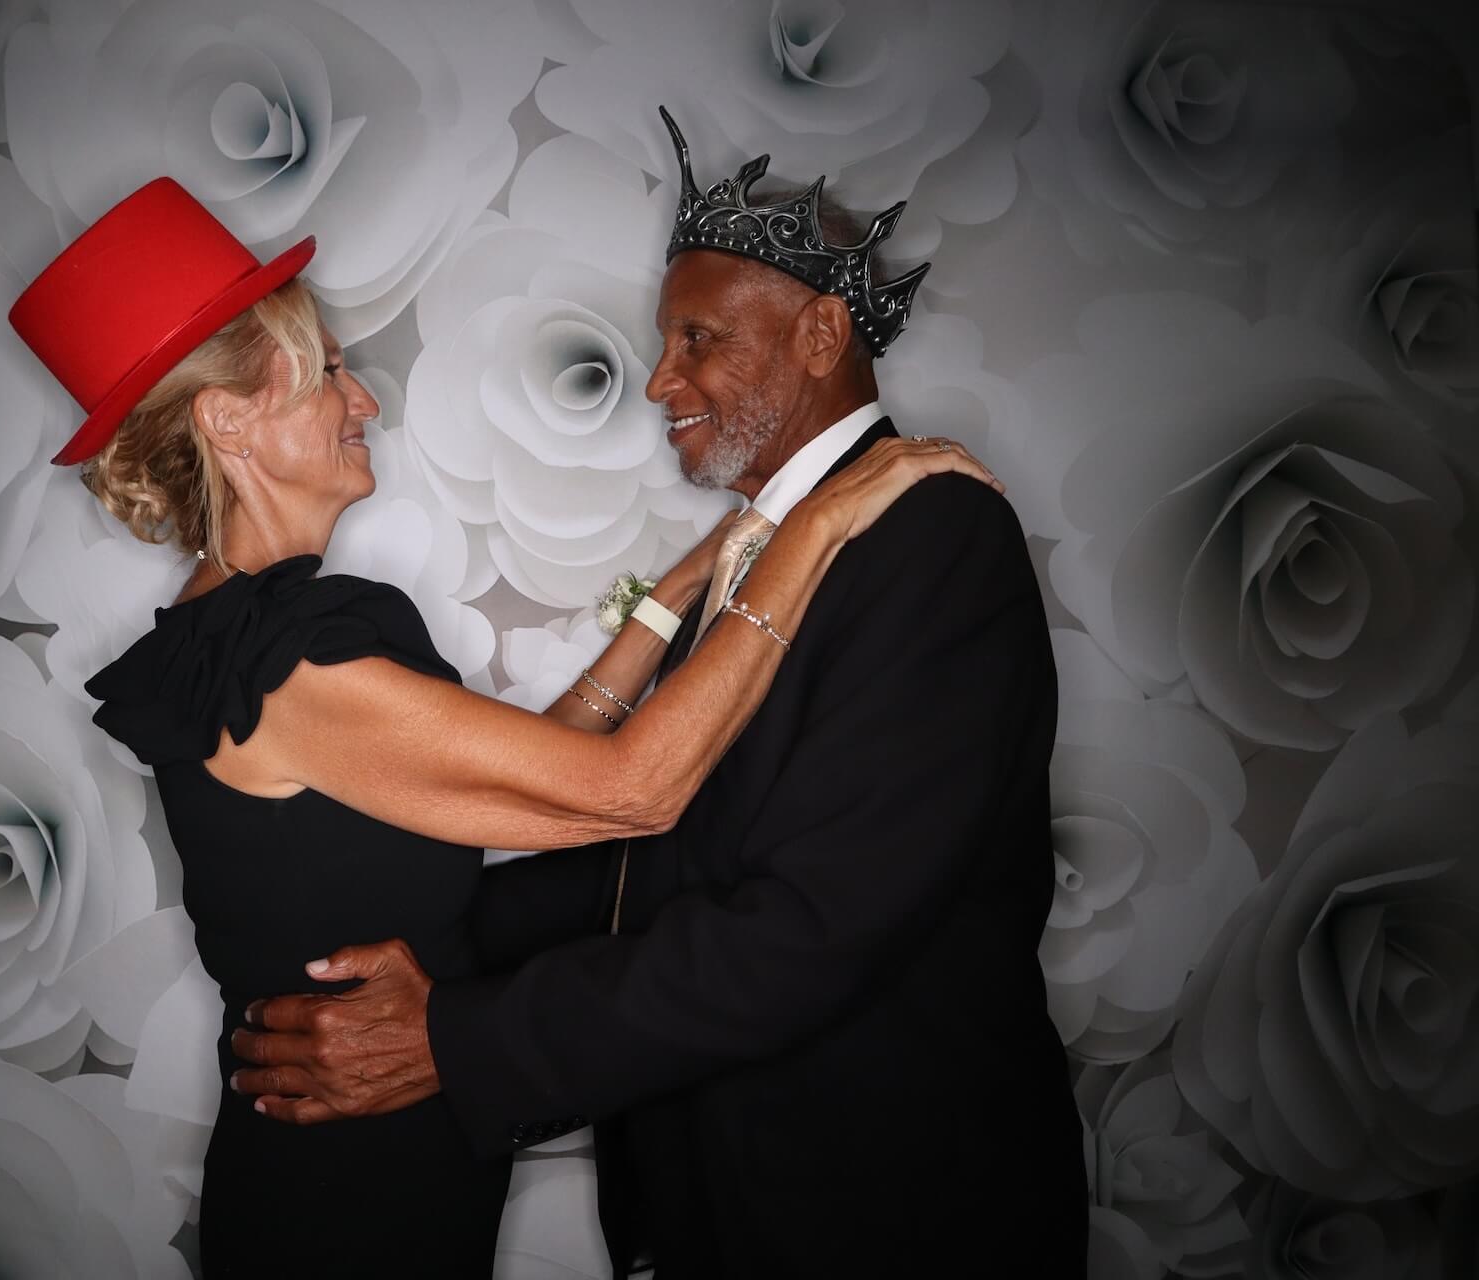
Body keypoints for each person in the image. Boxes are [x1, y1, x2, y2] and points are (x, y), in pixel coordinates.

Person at [6, 177, 1002, 1278]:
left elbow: (535, 775)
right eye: (329, 369)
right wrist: (811, 528)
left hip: (396, 1160)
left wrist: (697, 578)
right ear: (228, 419)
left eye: (695, 336)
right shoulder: (290, 661)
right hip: (349, 1187)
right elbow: (628, 790)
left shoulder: (237, 645)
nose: (364, 400)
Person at [229, 112, 1089, 1277]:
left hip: (881, 1209)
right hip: (737, 1198)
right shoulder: (763, 547)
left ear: (822, 333)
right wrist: (440, 949)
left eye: (698, 338)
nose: (657, 379)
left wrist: (455, 1032)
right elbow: (669, 852)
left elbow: (808, 928)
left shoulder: (932, 535)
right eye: (661, 339)